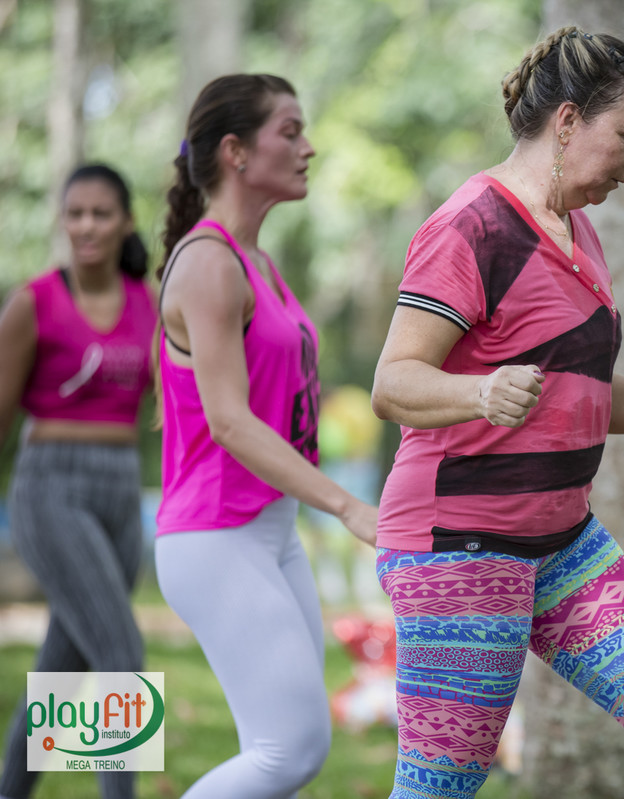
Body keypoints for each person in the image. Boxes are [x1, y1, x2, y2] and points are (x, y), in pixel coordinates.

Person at [370, 26, 624, 799]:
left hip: (562, 541)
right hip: (461, 545)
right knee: (442, 782)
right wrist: (479, 392)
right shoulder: (471, 226)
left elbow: (578, 392)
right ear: (566, 123)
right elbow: (392, 382)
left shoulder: (575, 227)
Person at [154, 73, 377, 797]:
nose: (308, 147)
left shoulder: (257, 263)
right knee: (291, 750)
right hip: (216, 534)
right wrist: (346, 505)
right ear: (236, 151)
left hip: (268, 530)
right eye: (290, 131)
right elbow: (229, 421)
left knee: (283, 751)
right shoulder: (208, 263)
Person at [0, 164, 154, 799]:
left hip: (121, 486)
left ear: (126, 222)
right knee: (122, 653)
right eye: (75, 213)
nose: (86, 225)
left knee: (60, 672)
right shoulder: (32, 303)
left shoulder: (149, 303)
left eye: (101, 213)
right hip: (50, 487)